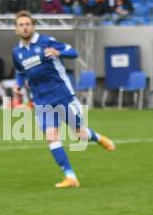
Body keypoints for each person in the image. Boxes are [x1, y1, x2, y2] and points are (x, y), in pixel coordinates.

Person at [10, 11, 116, 188]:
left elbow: (73, 52)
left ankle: (96, 138)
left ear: (33, 26)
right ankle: (70, 176)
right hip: (41, 100)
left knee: (79, 133)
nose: (25, 27)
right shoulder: (17, 52)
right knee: (51, 136)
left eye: (28, 24)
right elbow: (20, 72)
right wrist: (19, 85)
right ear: (16, 30)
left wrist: (58, 52)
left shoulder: (46, 41)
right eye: (21, 25)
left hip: (62, 94)